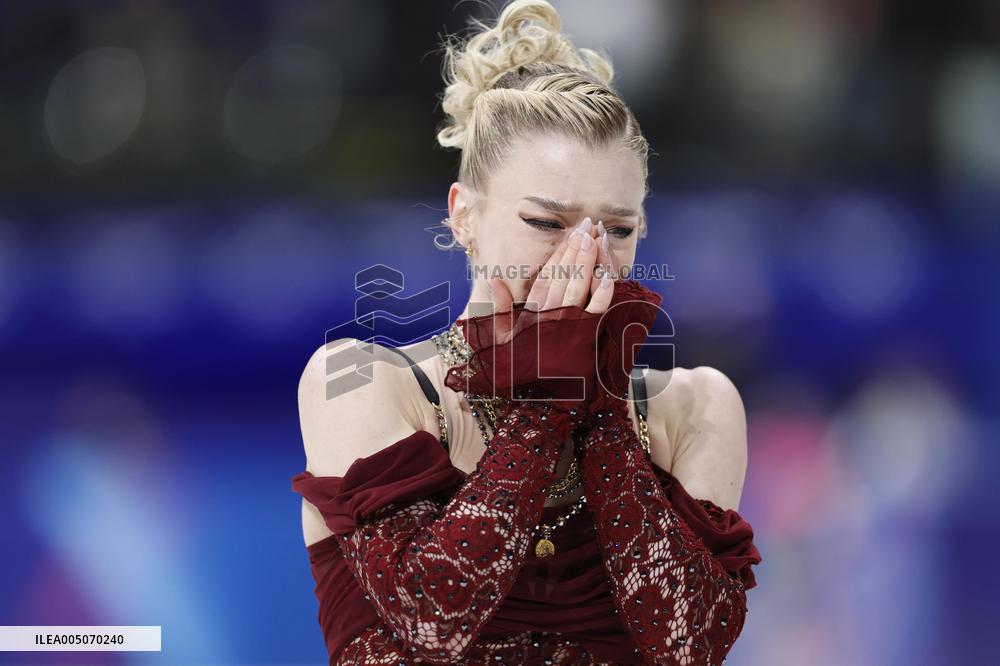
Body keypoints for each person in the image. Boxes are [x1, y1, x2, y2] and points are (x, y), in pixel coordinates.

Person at [292, 1, 761, 663]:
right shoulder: (359, 381)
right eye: (546, 223)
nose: (585, 256)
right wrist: (545, 406)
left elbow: (689, 645)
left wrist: (601, 410)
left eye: (617, 229)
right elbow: (432, 623)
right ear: (465, 217)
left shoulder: (695, 407)